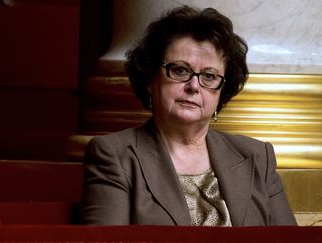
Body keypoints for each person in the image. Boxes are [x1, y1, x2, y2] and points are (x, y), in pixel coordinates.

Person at [79, 5, 297, 226]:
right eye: (180, 70)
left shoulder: (256, 157)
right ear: (151, 78)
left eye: (209, 76)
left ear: (222, 91)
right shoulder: (115, 155)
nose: (194, 86)